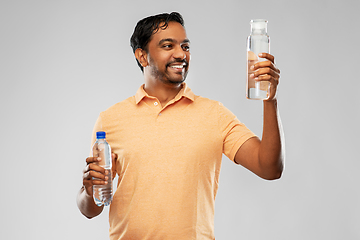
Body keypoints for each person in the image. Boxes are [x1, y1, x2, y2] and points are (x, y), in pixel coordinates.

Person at [77, 12, 284, 240]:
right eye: (168, 46)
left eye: (185, 46)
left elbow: (269, 168)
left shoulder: (214, 114)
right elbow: (90, 209)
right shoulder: (111, 119)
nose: (181, 54)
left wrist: (270, 100)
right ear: (142, 56)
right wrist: (89, 191)